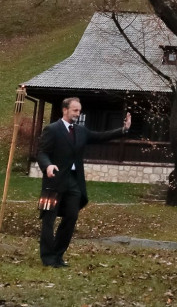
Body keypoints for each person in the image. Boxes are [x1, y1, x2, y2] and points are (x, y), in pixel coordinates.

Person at [37, 96, 131, 268]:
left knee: (71, 217)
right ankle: (47, 257)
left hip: (74, 183)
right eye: (75, 110)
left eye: (79, 111)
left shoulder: (81, 131)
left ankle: (58, 255)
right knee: (48, 220)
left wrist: (123, 129)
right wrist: (48, 166)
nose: (77, 114)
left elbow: (100, 136)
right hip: (54, 183)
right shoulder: (52, 129)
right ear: (64, 110)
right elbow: (42, 152)